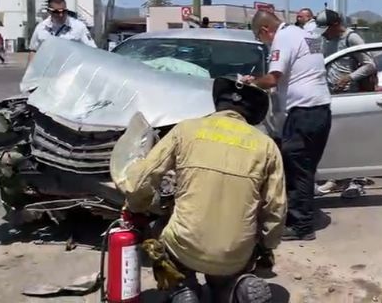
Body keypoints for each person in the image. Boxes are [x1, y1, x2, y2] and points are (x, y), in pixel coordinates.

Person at [121, 78, 285, 303]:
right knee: (230, 266)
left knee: (159, 230)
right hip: (235, 253)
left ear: (218, 104)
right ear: (252, 113)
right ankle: (235, 285)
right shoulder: (267, 146)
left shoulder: (185, 130)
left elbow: (139, 183)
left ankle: (183, 289)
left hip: (185, 246)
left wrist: (137, 208)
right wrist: (266, 246)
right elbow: (276, 208)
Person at [243, 10, 331, 241]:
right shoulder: (302, 34)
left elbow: (273, 79)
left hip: (304, 113)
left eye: (259, 37)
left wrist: (251, 82)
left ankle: (301, 226)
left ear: (264, 30)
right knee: (305, 169)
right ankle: (303, 219)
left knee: (296, 169)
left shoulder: (283, 39)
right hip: (320, 110)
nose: (262, 41)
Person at [313, 8, 377, 198]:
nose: (324, 33)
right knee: (334, 140)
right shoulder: (325, 39)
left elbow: (369, 64)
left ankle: (355, 180)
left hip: (349, 96)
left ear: (335, 25)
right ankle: (336, 178)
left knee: (351, 140)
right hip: (329, 95)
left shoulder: (352, 39)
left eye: (326, 29)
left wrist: (349, 77)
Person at [29, 0, 96, 63]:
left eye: (64, 11)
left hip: (70, 69)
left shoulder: (78, 27)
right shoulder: (41, 28)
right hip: (49, 69)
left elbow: (92, 49)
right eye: (57, 12)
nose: (61, 15)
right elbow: (34, 50)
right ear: (49, 11)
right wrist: (29, 71)